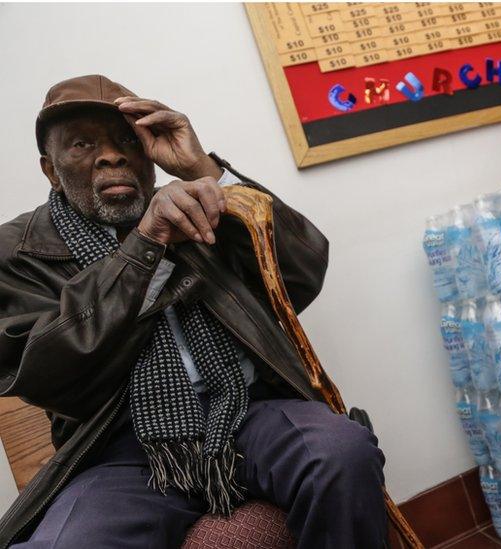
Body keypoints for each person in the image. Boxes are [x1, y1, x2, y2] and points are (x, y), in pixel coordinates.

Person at [0, 75, 388, 548]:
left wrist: (204, 171)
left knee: (340, 452)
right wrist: (146, 245)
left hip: (245, 411)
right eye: (82, 144)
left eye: (128, 140)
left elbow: (301, 276)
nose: (111, 155)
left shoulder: (194, 202)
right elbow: (44, 370)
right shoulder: (16, 252)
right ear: (50, 169)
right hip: (120, 451)